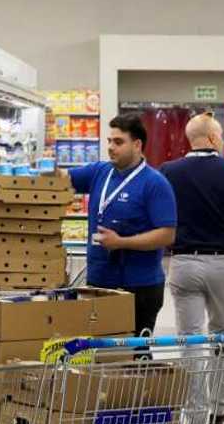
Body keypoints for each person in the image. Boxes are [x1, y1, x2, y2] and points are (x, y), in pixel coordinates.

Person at [161, 112, 224, 424]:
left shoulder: (169, 171)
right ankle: (219, 408)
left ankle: (193, 417)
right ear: (213, 138)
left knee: (190, 338)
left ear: (190, 139)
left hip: (183, 263)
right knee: (221, 333)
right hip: (222, 263)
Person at [68, 113, 178, 336]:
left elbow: (167, 235)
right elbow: (62, 179)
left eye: (118, 142)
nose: (111, 147)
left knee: (133, 358)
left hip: (139, 287)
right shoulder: (100, 171)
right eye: (109, 141)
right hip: (99, 282)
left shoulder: (155, 183)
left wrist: (121, 242)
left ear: (137, 145)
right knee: (99, 356)